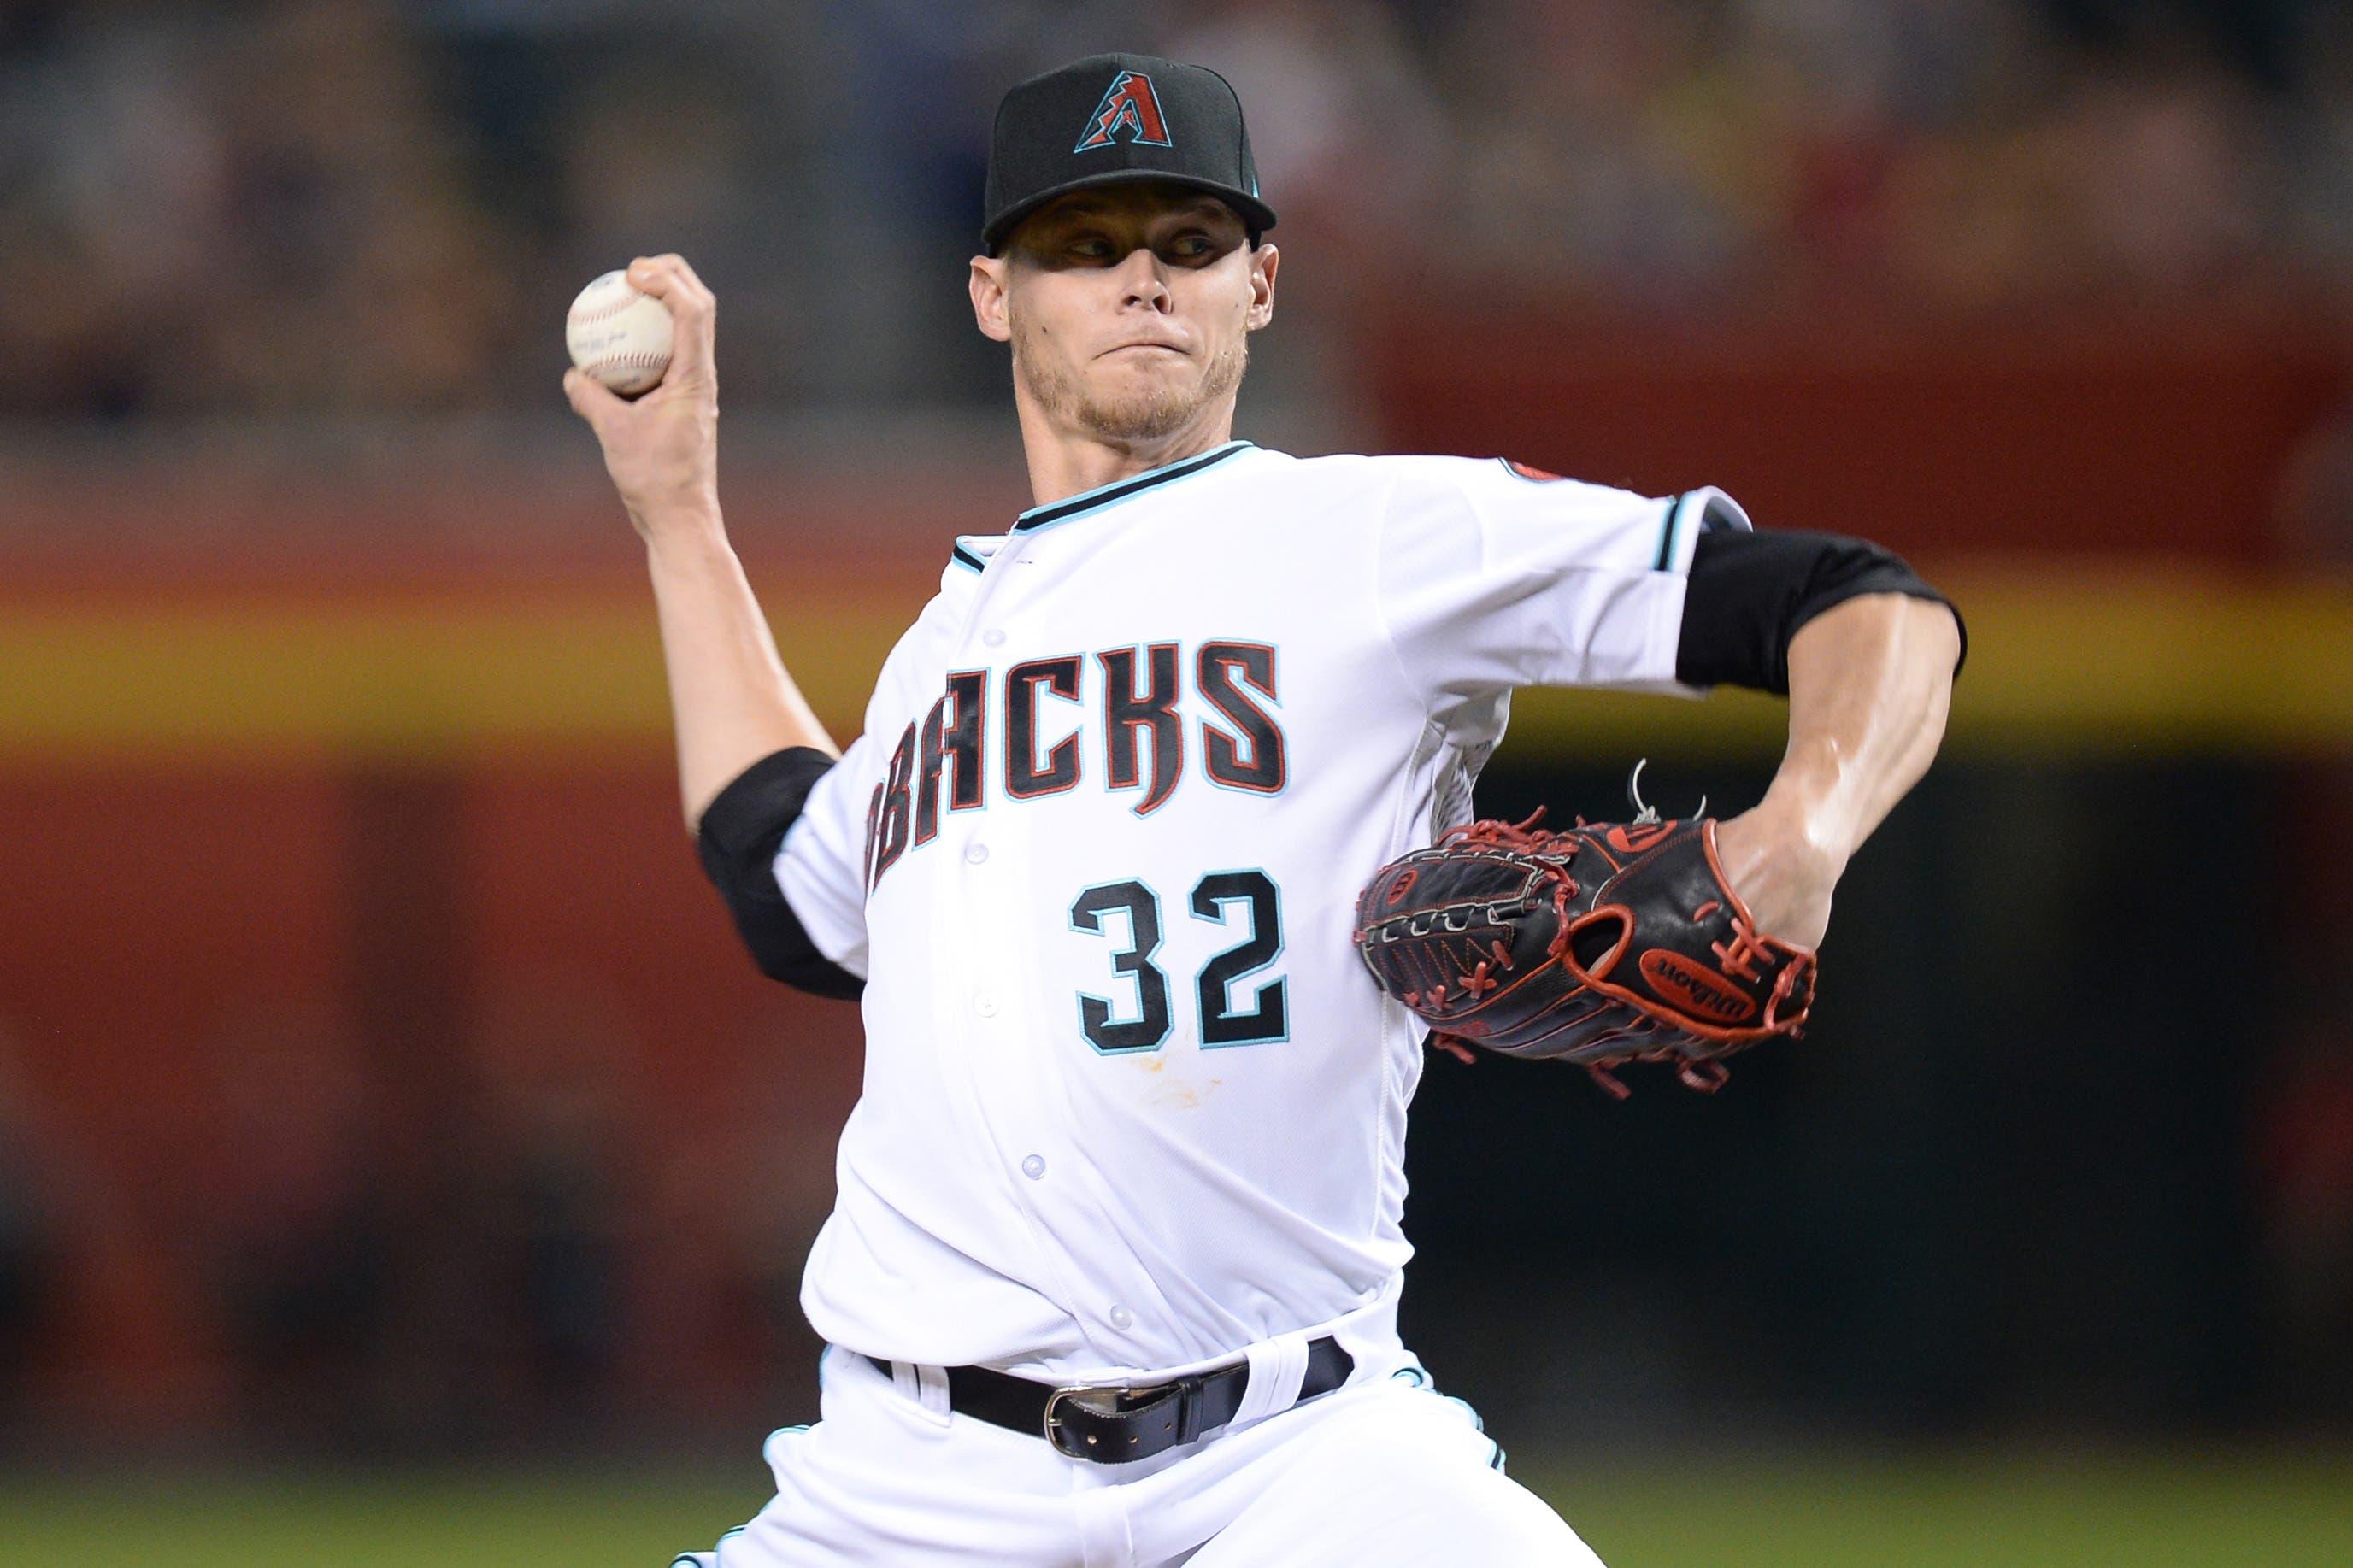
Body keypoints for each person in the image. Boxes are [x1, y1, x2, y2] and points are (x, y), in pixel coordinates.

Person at [565, 52, 1962, 1568]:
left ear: (1261, 285)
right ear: (992, 296)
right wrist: (678, 509)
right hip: (910, 1488)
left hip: (1301, 1459)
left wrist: (1799, 835)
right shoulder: (937, 657)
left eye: (1187, 243)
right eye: (1084, 248)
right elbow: (786, 885)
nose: (1141, 282)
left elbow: (1856, 603)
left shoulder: (1377, 533)